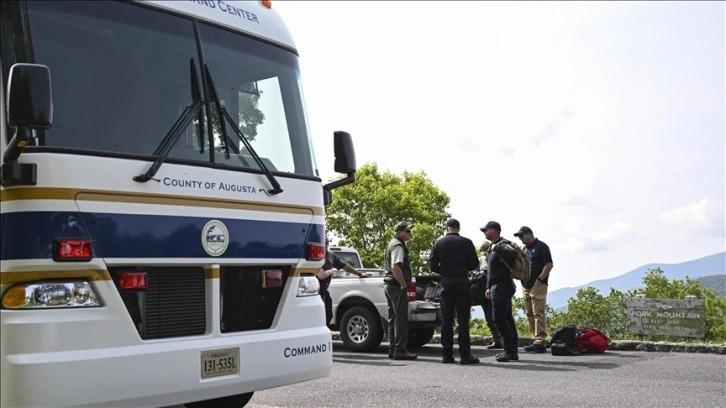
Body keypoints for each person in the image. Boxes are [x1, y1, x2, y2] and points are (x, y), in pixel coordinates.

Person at [429, 218, 481, 364]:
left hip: (446, 282)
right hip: (462, 282)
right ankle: (465, 355)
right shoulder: (467, 242)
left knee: (447, 319)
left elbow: (432, 265)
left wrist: (444, 270)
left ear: (447, 228)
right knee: (463, 320)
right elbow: (474, 264)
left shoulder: (439, 243)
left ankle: (447, 355)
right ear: (458, 228)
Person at [481, 221, 520, 362]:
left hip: (502, 286)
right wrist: (488, 286)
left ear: (493, 230)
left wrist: (498, 248)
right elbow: (492, 270)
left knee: (499, 317)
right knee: (506, 317)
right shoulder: (492, 247)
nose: (484, 232)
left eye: (486, 230)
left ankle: (509, 351)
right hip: (496, 286)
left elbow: (512, 254)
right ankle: (512, 350)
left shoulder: (502, 244)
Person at [514, 226, 553, 353]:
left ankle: (541, 340)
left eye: (522, 236)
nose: (520, 239)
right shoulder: (525, 249)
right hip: (526, 284)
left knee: (538, 312)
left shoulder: (541, 246)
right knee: (530, 313)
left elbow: (549, 264)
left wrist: (540, 280)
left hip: (538, 284)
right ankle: (535, 338)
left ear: (529, 234)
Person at [383, 222, 417, 360]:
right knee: (400, 318)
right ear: (399, 232)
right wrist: (403, 284)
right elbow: (396, 267)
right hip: (396, 286)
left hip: (389, 285)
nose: (409, 233)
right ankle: (400, 349)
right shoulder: (398, 245)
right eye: (407, 231)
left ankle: (393, 348)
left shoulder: (392, 243)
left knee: (393, 318)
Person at [317, 238, 370, 325]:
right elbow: (321, 275)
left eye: (326, 243)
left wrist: (359, 274)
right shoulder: (317, 256)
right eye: (323, 243)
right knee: (319, 316)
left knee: (328, 315)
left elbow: (344, 266)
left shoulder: (331, 256)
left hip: (324, 291)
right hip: (316, 292)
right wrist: (330, 271)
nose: (325, 246)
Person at [475, 240, 503, 349]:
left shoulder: (495, 257)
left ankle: (501, 338)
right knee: (488, 316)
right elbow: (475, 271)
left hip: (494, 288)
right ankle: (496, 339)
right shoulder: (481, 260)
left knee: (497, 315)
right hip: (483, 290)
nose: (484, 253)